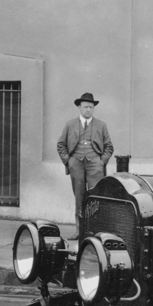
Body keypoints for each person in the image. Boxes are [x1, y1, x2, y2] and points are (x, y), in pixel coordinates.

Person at [56, 92, 113, 233]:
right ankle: (79, 231)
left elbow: (109, 146)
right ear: (79, 107)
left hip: (95, 165)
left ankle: (95, 230)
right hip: (76, 164)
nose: (88, 110)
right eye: (86, 107)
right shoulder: (70, 125)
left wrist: (101, 162)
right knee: (79, 198)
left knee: (96, 198)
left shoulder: (101, 125)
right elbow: (61, 145)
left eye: (91, 107)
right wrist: (68, 161)